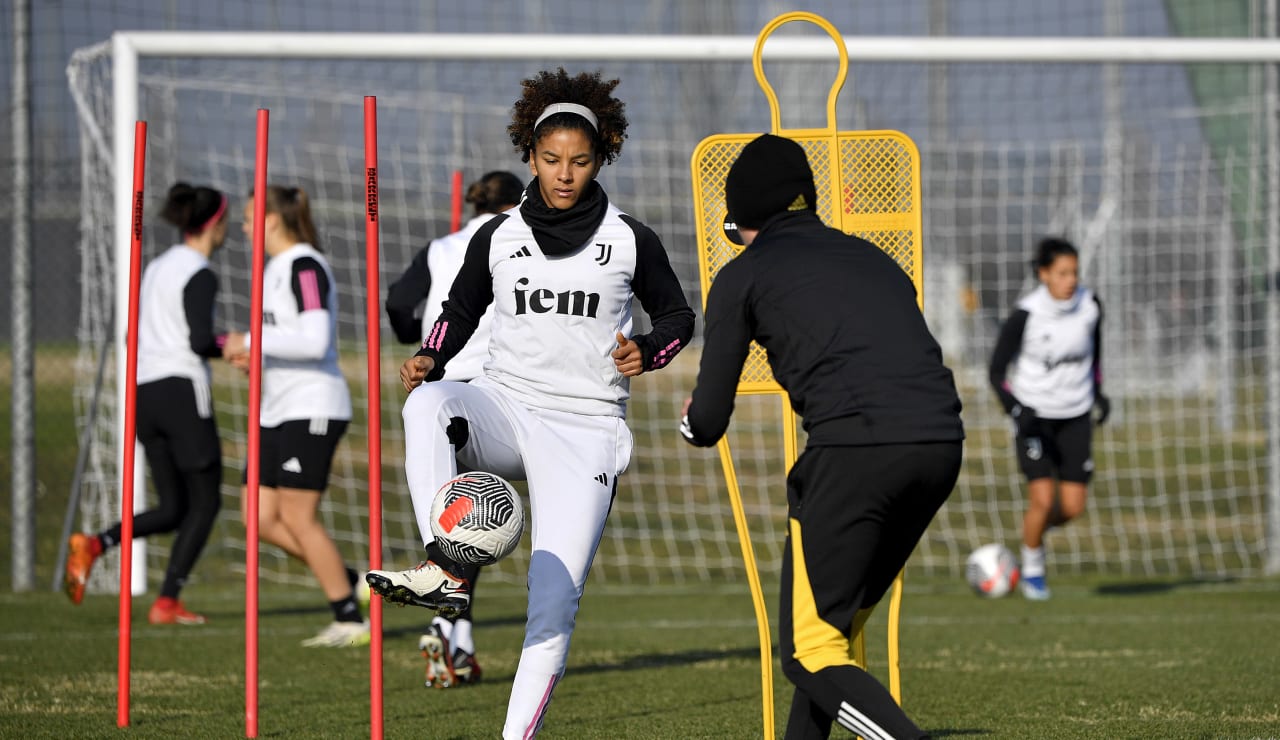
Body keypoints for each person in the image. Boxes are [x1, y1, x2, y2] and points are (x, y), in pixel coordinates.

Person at [366, 68, 694, 736]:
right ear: (530, 157)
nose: (565, 173)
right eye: (551, 160)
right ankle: (445, 564)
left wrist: (649, 350)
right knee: (428, 405)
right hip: (506, 406)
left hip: (586, 431)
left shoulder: (631, 238)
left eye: (579, 160)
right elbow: (458, 310)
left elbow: (678, 318)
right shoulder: (498, 235)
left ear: (601, 158)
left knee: (552, 605)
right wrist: (431, 354)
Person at [680, 134, 965, 740]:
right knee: (833, 633)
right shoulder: (872, 258)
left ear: (745, 220)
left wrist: (687, 420)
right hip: (940, 444)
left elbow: (707, 423)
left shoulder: (743, 275)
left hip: (855, 452)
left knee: (808, 652)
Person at [64, 182, 230, 625]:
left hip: (144, 394)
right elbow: (199, 341)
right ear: (214, 223)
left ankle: (96, 544)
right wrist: (233, 344)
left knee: (174, 507)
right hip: (180, 390)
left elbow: (129, 335)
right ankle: (167, 600)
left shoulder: (156, 268)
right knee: (207, 501)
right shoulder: (200, 271)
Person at [384, 170, 524, 688]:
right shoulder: (517, 236)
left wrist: (412, 340)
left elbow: (400, 303)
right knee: (476, 521)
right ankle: (449, 631)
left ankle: (454, 638)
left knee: (462, 518)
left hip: (436, 385)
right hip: (490, 392)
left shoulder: (440, 247)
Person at [222, 185, 367, 647]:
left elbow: (313, 340)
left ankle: (350, 619)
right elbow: (282, 342)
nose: (243, 228)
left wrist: (250, 341)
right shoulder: (273, 270)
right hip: (274, 411)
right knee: (257, 518)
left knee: (298, 517)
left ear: (270, 219)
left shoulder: (305, 265)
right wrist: (254, 357)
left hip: (313, 408)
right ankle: (348, 578)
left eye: (248, 218)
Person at [988, 237, 1109, 601]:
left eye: (1074, 272)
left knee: (1072, 507)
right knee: (1041, 500)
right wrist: (1015, 408)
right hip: (1034, 419)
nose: (1070, 279)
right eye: (1062, 273)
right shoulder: (1026, 314)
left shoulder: (1089, 306)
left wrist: (1099, 391)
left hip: (1075, 415)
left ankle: (1031, 535)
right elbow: (995, 371)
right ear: (1043, 274)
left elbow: (1096, 353)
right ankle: (1033, 572)